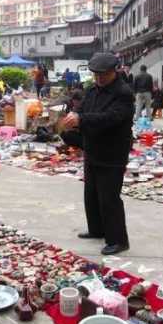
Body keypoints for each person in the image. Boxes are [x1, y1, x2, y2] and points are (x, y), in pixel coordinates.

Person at [62, 52, 133, 255]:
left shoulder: (123, 93)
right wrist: (74, 117)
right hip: (93, 148)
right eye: (96, 75)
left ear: (114, 71)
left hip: (112, 152)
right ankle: (96, 229)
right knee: (91, 194)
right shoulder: (93, 90)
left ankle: (118, 240)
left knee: (109, 198)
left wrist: (82, 120)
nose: (99, 79)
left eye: (103, 75)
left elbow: (111, 118)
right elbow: (83, 110)